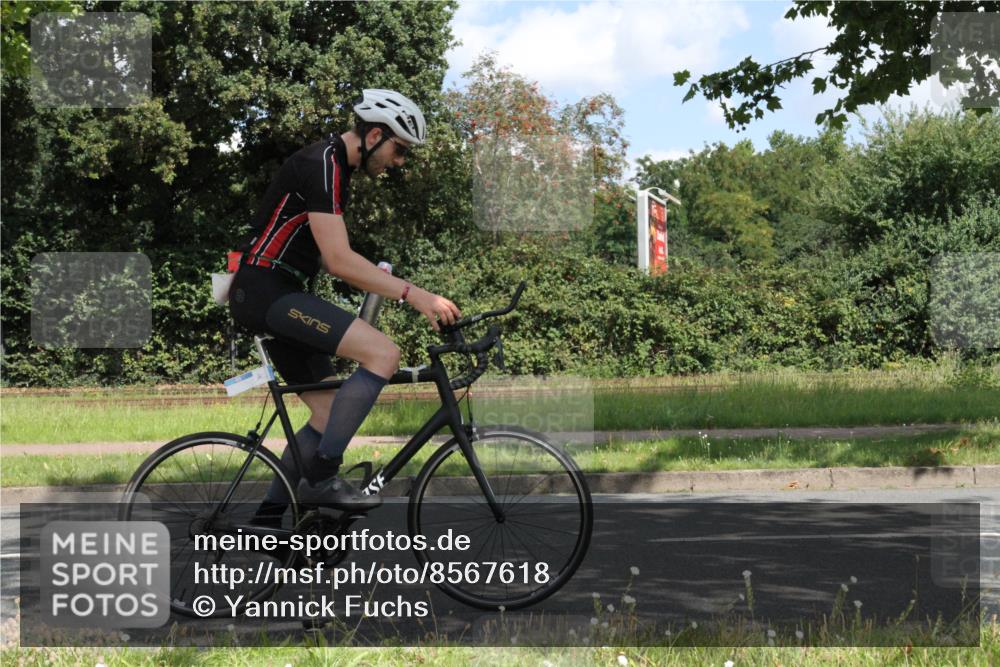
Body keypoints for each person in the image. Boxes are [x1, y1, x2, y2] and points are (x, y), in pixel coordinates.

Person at [228, 89, 461, 521]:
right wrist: (416, 295)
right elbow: (338, 261)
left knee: (327, 411)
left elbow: (331, 255)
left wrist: (380, 280)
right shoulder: (322, 164)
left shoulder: (335, 168)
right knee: (383, 354)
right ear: (374, 135)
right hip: (267, 292)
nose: (399, 161)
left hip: (275, 292)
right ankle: (321, 478)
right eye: (399, 149)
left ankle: (267, 521)